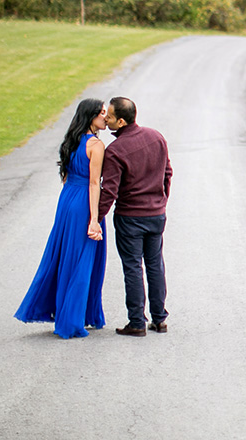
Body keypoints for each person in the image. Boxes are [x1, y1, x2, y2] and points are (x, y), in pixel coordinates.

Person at [15, 98, 108, 339]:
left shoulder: (71, 140)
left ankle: (71, 311)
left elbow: (67, 177)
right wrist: (94, 219)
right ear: (91, 117)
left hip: (67, 201)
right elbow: (94, 183)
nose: (105, 117)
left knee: (63, 254)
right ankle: (72, 319)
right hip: (84, 203)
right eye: (101, 113)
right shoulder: (96, 145)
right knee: (81, 261)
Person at [97, 96, 172, 337]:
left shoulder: (116, 150)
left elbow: (109, 190)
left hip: (130, 217)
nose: (105, 119)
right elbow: (167, 172)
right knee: (155, 265)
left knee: (132, 268)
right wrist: (161, 200)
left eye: (109, 116)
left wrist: (96, 217)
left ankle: (137, 322)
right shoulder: (156, 136)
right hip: (156, 215)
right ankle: (160, 319)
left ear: (120, 120)